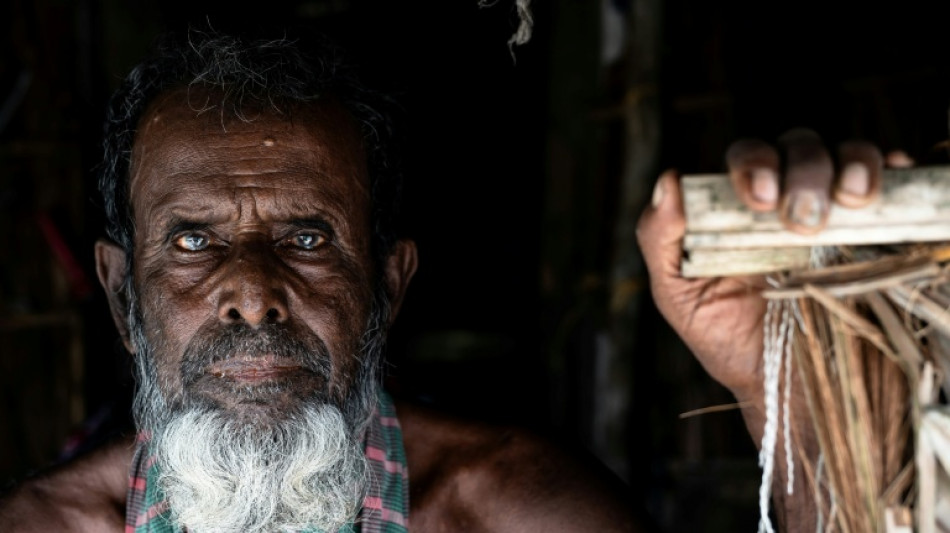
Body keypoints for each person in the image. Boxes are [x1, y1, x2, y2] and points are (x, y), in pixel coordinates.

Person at [0, 31, 639, 532]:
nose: (252, 300)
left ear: (387, 288)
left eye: (307, 240)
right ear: (121, 298)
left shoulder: (527, 518)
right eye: (194, 242)